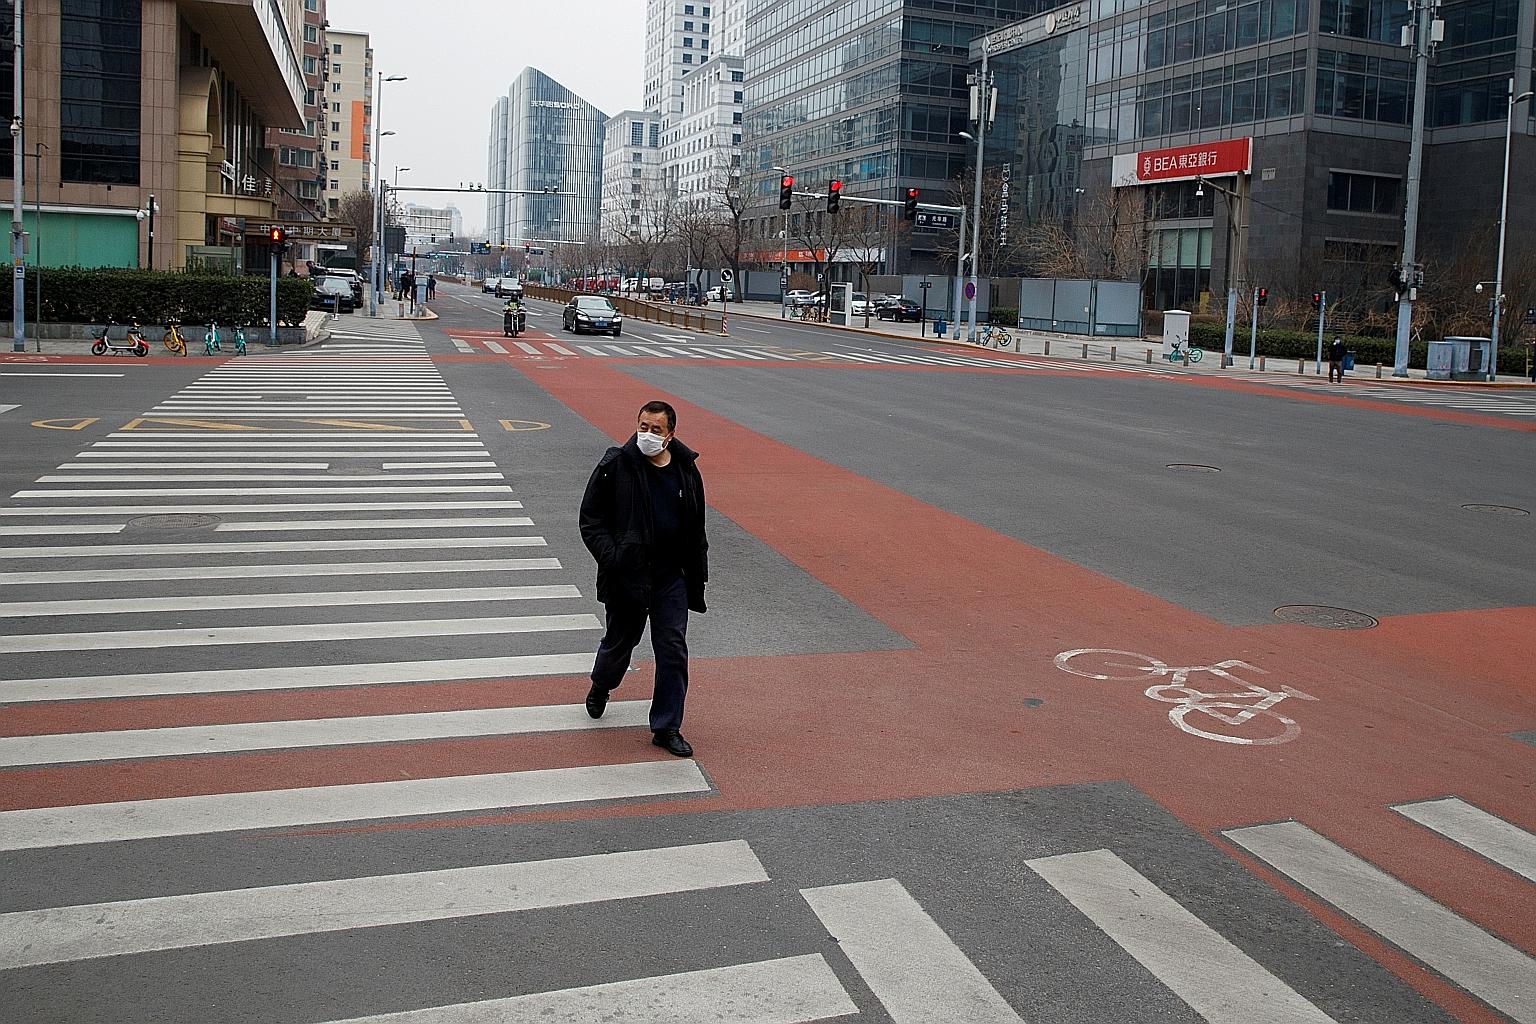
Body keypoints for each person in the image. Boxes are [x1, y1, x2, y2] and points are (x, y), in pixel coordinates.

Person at [580, 400, 709, 758]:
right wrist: (614, 558)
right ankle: (601, 684)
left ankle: (667, 727)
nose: (647, 435)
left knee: (672, 649)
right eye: (643, 427)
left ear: (670, 435)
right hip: (629, 578)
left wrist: (696, 572)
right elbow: (590, 520)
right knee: (620, 644)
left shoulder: (685, 469)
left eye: (655, 430)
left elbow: (696, 525)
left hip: (671, 579)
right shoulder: (616, 466)